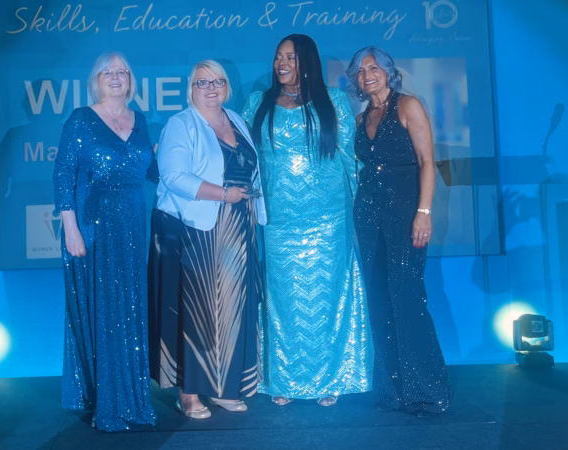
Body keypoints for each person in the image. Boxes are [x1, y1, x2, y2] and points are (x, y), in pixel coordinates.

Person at [242, 34, 371, 407]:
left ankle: (329, 378)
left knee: (329, 295)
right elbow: (246, 161)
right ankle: (282, 380)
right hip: (279, 221)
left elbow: (350, 156)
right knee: (283, 299)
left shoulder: (332, 101)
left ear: (308, 62)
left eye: (291, 57)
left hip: (330, 219)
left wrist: (369, 204)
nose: (282, 63)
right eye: (278, 56)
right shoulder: (257, 104)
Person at [148, 60, 267, 419]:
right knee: (200, 311)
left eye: (218, 81)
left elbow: (251, 170)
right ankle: (191, 393)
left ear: (227, 87)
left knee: (234, 309)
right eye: (203, 82)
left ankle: (225, 387)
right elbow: (172, 176)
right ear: (191, 88)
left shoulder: (236, 120)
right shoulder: (180, 124)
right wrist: (222, 194)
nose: (211, 88)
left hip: (239, 228)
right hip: (199, 230)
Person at [53, 52, 156, 431]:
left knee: (129, 312)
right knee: (105, 314)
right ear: (95, 80)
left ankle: (131, 399)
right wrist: (70, 227)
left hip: (132, 227)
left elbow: (157, 172)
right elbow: (63, 173)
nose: (115, 77)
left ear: (131, 79)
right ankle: (106, 403)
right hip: (92, 226)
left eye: (122, 71)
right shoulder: (81, 119)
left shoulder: (140, 121)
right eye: (107, 72)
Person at [346, 46, 450, 415]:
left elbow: (426, 162)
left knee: (406, 296)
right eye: (360, 71)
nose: (366, 75)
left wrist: (424, 212)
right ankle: (391, 391)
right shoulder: (361, 119)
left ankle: (426, 390)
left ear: (388, 71)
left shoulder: (408, 106)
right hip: (368, 213)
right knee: (378, 299)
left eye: (373, 67)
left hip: (406, 210)